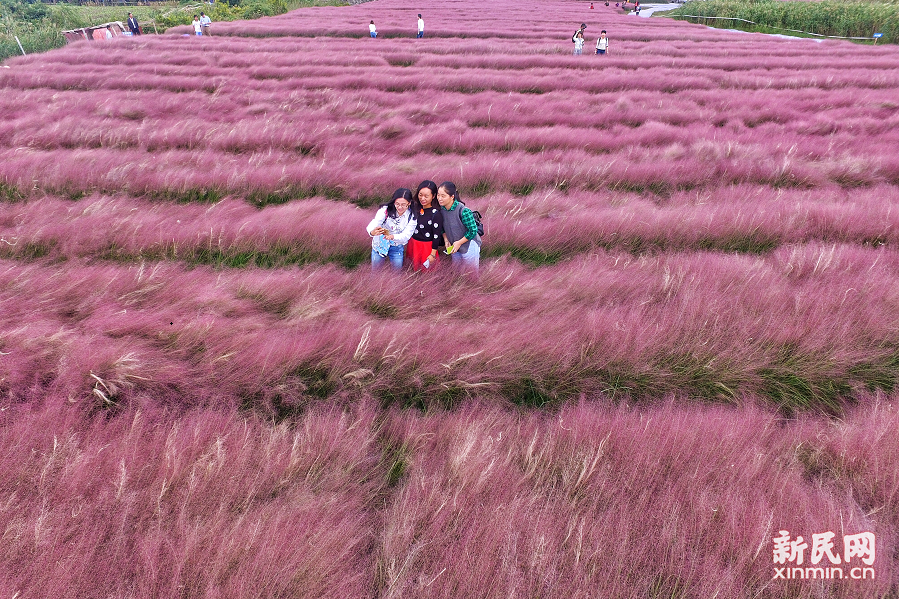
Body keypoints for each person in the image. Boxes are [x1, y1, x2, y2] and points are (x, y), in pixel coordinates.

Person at [367, 189, 416, 269]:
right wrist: (372, 232)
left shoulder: (412, 216)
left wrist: (392, 237)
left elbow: (406, 235)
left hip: (397, 247)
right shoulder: (385, 210)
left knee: (396, 272)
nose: (400, 207)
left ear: (409, 203)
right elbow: (375, 222)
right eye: (397, 204)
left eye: (403, 204)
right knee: (376, 272)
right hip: (380, 245)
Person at [437, 182, 481, 272]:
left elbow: (473, 231)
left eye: (443, 196)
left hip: (469, 246)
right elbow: (442, 228)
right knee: (457, 273)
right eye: (438, 195)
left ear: (452, 196)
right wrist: (446, 239)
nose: (439, 198)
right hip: (455, 247)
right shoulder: (442, 211)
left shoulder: (463, 211)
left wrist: (459, 242)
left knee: (471, 274)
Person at [407, 180, 444, 271]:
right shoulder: (414, 208)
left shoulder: (436, 213)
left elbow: (436, 236)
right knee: (411, 270)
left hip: (427, 247)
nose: (422, 198)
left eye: (426, 196)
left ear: (433, 196)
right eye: (420, 195)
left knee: (427, 273)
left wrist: (432, 254)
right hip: (413, 244)